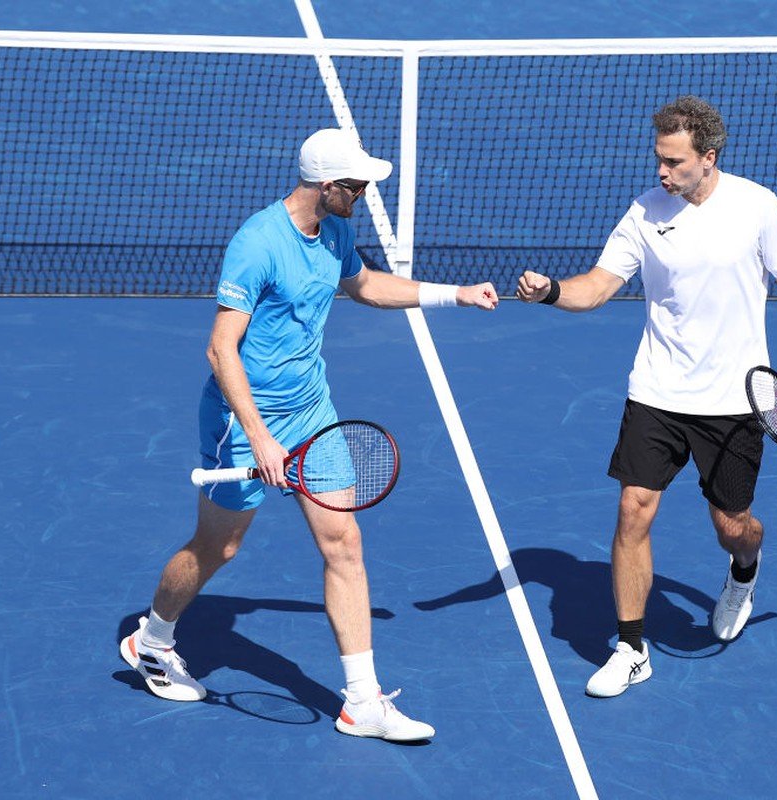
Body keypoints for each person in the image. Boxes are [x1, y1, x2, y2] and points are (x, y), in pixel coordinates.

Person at [120, 128, 499, 741]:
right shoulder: (258, 244)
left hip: (313, 414)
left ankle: (363, 702)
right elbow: (221, 349)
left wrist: (452, 294)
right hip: (243, 422)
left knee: (344, 543)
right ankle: (151, 638)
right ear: (329, 186)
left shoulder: (338, 231)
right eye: (358, 186)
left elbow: (368, 285)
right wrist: (260, 437)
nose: (366, 194)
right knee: (219, 548)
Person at [516, 96, 777, 699]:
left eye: (673, 161)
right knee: (634, 507)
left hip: (735, 399)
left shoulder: (757, 206)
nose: (661, 172)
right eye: (658, 159)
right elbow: (595, 289)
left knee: (732, 524)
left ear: (707, 158)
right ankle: (631, 648)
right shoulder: (644, 213)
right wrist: (551, 290)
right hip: (658, 391)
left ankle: (745, 570)